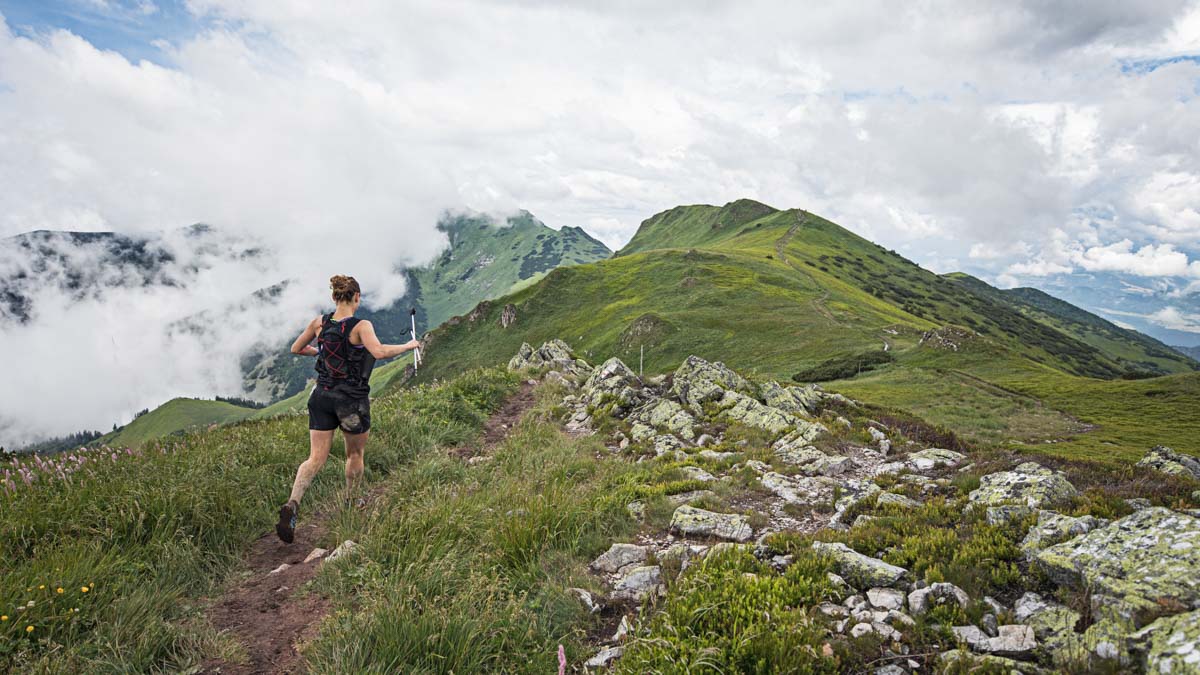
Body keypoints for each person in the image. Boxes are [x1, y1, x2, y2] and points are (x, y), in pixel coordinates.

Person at [275, 274, 421, 543]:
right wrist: (408, 345)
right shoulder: (360, 326)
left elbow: (296, 348)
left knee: (315, 458)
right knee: (354, 454)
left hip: (321, 397)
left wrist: (319, 352)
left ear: (334, 298)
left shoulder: (320, 323)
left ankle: (293, 503)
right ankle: (352, 502)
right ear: (357, 297)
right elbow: (379, 352)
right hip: (351, 401)